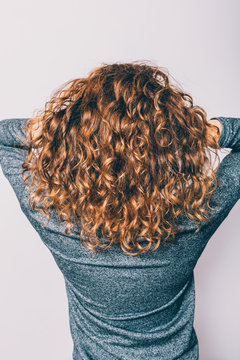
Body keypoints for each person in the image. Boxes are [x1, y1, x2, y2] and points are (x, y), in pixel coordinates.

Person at [0, 62, 239, 360]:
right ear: (166, 145)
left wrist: (56, 128)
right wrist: (196, 131)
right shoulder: (196, 217)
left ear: (78, 142)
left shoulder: (53, 219)